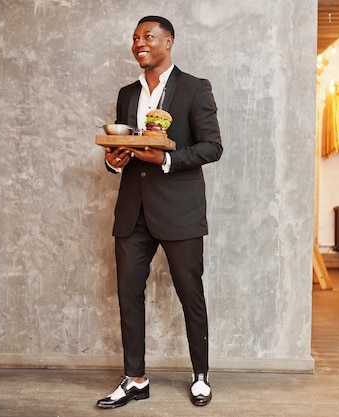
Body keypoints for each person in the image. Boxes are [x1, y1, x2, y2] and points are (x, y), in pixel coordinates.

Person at [96, 16, 223, 409]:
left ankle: (200, 375)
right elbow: (125, 150)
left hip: (179, 210)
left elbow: (212, 147)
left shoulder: (194, 88)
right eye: (135, 38)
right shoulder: (126, 94)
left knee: (190, 293)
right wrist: (115, 161)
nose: (139, 44)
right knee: (129, 294)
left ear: (168, 41)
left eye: (147, 37)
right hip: (133, 210)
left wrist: (166, 160)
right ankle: (135, 378)